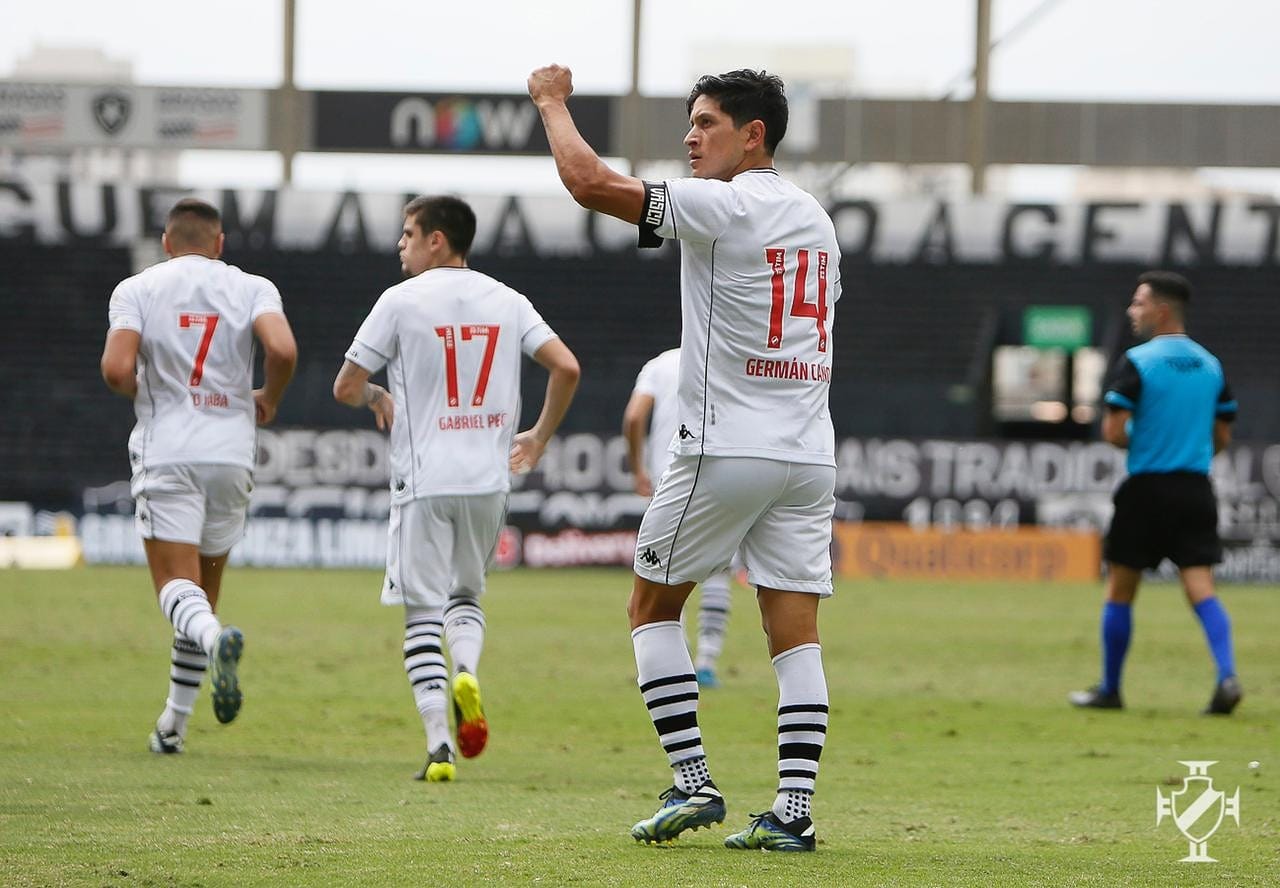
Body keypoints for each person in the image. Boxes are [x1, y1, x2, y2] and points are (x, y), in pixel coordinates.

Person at [530, 65, 840, 852]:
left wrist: (552, 103)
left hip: (727, 446)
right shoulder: (817, 220)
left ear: (753, 134)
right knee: (794, 634)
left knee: (648, 608)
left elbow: (590, 183)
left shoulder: (725, 203)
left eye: (705, 123)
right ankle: (793, 815)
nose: (690, 138)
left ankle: (694, 782)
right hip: (808, 454)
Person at [333, 195, 580, 782]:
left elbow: (347, 385)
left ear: (437, 240)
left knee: (421, 613)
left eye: (409, 233)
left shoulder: (399, 301)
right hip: (488, 480)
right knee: (465, 598)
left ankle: (440, 746)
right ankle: (466, 669)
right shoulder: (509, 300)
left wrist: (377, 397)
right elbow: (566, 366)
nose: (402, 244)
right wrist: (539, 438)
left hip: (423, 480)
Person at [100, 197, 297, 754]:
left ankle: (216, 642)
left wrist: (148, 392)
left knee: (174, 588)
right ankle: (173, 727)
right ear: (220, 243)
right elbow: (281, 348)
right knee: (201, 591)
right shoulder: (251, 286)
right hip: (232, 451)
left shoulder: (137, 289)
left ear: (167, 242)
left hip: (169, 449)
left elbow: (116, 369)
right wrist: (269, 399)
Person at [1069, 271, 1241, 715]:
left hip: (1146, 488)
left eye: (1139, 303)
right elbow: (1222, 435)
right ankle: (1227, 675)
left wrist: (1147, 441)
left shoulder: (1139, 361)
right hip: (1194, 488)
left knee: (1120, 590)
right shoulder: (1210, 364)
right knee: (1201, 586)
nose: (1133, 311)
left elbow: (1112, 430)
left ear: (1161, 310)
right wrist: (1191, 444)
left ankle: (1110, 689)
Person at [623, 347, 733, 688]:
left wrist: (638, 468)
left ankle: (676, 656)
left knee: (665, 572)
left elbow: (633, 417)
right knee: (719, 570)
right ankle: (708, 662)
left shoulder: (660, 364)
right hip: (722, 474)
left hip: (669, 478)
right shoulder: (727, 358)